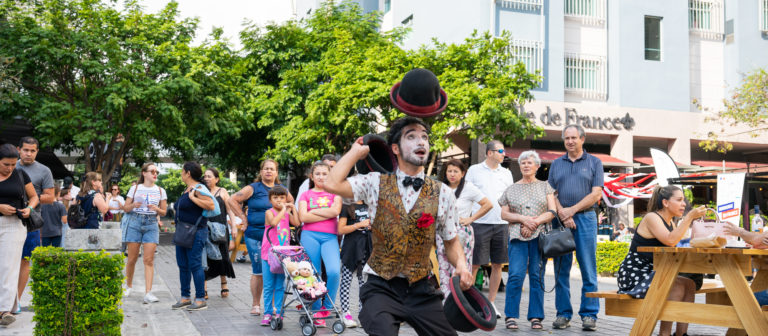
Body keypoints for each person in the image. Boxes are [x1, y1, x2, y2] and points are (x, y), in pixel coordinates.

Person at [325, 116, 474, 336]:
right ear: (395, 148)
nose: (421, 141)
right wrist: (355, 152)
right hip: (381, 287)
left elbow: (451, 241)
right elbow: (331, 184)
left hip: (421, 288)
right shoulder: (374, 182)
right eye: (411, 137)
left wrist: (461, 265)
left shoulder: (443, 193)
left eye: (424, 137)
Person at [617, 186, 705, 336]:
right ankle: (664, 333)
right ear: (665, 202)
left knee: (689, 284)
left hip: (655, 273)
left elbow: (673, 247)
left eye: (683, 200)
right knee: (676, 285)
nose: (684, 204)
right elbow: (670, 240)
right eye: (679, 200)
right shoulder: (652, 217)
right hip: (636, 274)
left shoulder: (671, 223)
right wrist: (689, 217)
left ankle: (681, 334)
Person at [547, 124, 604, 331]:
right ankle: (563, 314)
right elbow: (551, 193)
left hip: (585, 219)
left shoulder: (594, 162)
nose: (570, 141)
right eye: (567, 138)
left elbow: (596, 194)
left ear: (582, 139)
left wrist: (572, 210)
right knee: (561, 269)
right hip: (560, 220)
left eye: (573, 137)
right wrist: (563, 213)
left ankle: (589, 315)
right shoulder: (556, 164)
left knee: (588, 268)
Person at [498, 151, 556, 330]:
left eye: (530, 162)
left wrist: (534, 223)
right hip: (517, 236)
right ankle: (511, 315)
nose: (526, 165)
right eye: (523, 163)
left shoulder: (546, 187)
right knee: (515, 275)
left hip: (540, 237)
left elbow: (552, 212)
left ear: (537, 166)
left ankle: (536, 317)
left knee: (537, 276)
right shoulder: (510, 189)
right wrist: (523, 219)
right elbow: (504, 214)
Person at [227, 159, 292, 316]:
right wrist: (243, 217)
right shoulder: (253, 188)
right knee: (258, 271)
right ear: (261, 171)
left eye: (272, 169)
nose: (269, 171)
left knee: (276, 270)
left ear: (276, 173)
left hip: (276, 239)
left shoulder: (281, 190)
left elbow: (291, 202)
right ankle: (256, 304)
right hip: (255, 235)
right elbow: (231, 199)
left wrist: (286, 217)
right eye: (266, 168)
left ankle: (273, 306)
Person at [464, 139, 514, 317]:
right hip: (479, 223)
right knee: (475, 264)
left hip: (501, 224)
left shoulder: (507, 173)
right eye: (500, 151)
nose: (503, 154)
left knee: (498, 264)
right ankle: (467, 303)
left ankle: (491, 303)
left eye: (504, 151)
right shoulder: (474, 170)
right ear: (489, 153)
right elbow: (466, 194)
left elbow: (510, 198)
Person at [436, 159, 492, 298]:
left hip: (461, 232)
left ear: (463, 173)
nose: (452, 174)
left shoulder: (468, 187)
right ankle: (446, 299)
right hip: (442, 232)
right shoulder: (441, 187)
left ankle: (460, 300)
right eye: (449, 171)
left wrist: (470, 219)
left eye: (456, 171)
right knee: (443, 267)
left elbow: (487, 204)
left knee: (461, 267)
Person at [298, 161, 342, 328]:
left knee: (333, 271)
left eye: (325, 174)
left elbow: (335, 211)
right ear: (312, 176)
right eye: (318, 173)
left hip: (330, 237)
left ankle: (327, 307)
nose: (321, 177)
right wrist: (326, 213)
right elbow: (303, 217)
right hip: (309, 236)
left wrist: (313, 212)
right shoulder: (306, 195)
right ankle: (316, 310)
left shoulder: (335, 193)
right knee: (313, 274)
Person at [15, 137, 54, 314]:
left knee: (25, 260)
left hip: (31, 222)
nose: (28, 154)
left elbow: (50, 197)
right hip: (7, 219)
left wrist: (31, 197)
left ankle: (16, 300)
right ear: (19, 150)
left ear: (37, 152)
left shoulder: (44, 170)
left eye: (32, 151)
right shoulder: (9, 165)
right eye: (25, 150)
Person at [0, 144, 38, 326]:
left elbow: (34, 197)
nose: (10, 168)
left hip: (14, 225)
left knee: (9, 266)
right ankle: (10, 305)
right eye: (6, 164)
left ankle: (4, 310)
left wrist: (30, 208)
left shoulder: (20, 174)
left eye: (13, 164)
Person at [171, 162, 216, 311]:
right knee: (183, 265)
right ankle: (185, 297)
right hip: (183, 231)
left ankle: (200, 299)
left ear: (188, 173)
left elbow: (211, 205)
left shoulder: (199, 188)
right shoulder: (187, 189)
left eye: (182, 171)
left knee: (195, 265)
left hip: (196, 232)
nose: (181, 174)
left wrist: (193, 198)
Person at [122, 163, 167, 304]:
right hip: (135, 222)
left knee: (149, 260)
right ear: (144, 173)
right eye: (152, 171)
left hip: (151, 223)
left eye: (156, 172)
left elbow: (164, 212)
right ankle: (128, 286)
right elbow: (125, 208)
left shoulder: (160, 190)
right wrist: (133, 205)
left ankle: (148, 292)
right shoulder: (135, 188)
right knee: (132, 258)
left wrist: (156, 209)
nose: (155, 174)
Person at [261, 186, 299, 326]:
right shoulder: (269, 212)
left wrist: (292, 208)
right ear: (270, 200)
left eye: (282, 198)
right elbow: (273, 223)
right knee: (268, 285)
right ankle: (267, 313)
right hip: (268, 254)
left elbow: (297, 223)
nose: (279, 200)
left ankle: (279, 313)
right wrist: (284, 210)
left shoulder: (286, 213)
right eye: (275, 198)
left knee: (280, 285)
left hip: (283, 255)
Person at [337, 198, 372, 328]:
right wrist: (358, 225)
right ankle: (346, 313)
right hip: (351, 249)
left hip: (367, 248)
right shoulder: (346, 206)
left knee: (364, 282)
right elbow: (341, 229)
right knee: (346, 280)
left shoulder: (370, 205)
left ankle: (363, 314)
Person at [202, 168, 236, 299]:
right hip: (205, 229)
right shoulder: (201, 191)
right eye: (205, 176)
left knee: (223, 257)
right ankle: (204, 288)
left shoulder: (222, 191)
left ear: (217, 179)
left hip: (220, 230)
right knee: (205, 258)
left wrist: (233, 228)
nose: (206, 178)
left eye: (209, 176)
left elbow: (230, 210)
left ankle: (224, 283)